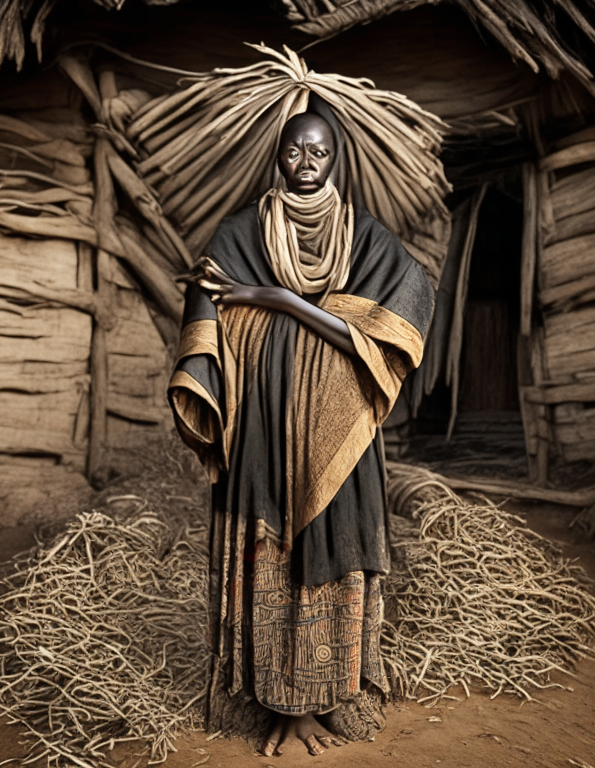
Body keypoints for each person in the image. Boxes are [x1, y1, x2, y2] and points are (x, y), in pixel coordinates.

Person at [168, 103, 434, 756]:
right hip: (260, 434)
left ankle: (321, 702)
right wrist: (240, 312)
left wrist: (277, 301)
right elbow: (206, 305)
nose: (306, 165)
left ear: (336, 157)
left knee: (329, 559)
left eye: (318, 152)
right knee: (272, 563)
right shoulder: (240, 235)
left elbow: (404, 310)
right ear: (277, 157)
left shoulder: (367, 238)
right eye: (294, 152)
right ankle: (274, 705)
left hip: (340, 443)